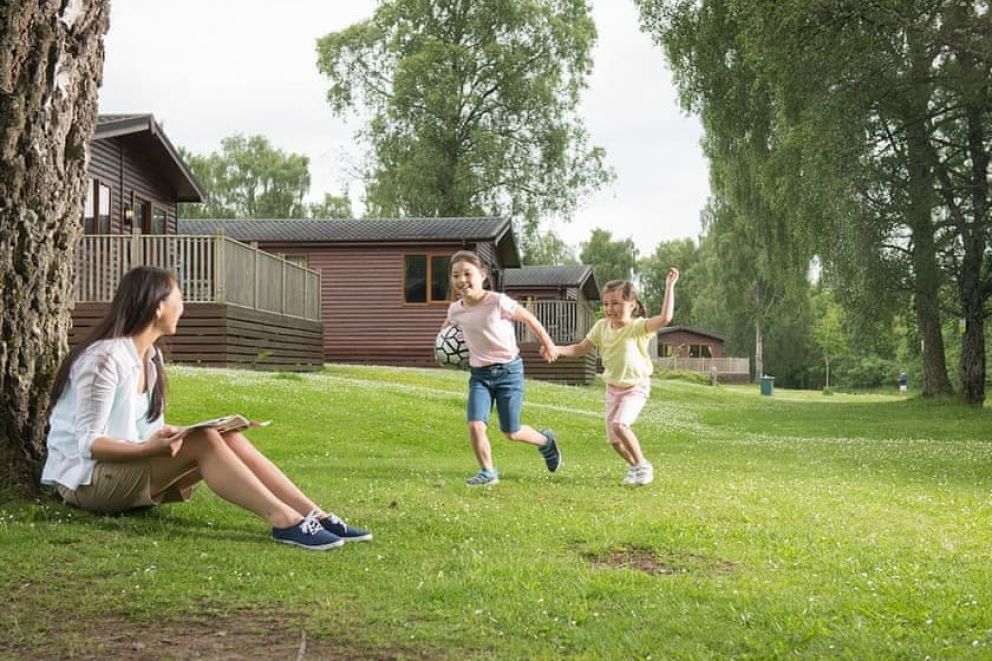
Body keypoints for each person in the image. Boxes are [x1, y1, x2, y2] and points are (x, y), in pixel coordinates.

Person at [41, 266, 370, 551]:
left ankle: (315, 515)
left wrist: (169, 434)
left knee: (224, 437)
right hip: (86, 482)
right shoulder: (105, 358)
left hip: (121, 470)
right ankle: (284, 521)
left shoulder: (150, 358)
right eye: (178, 300)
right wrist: (148, 448)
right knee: (206, 441)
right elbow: (89, 443)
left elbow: (141, 430)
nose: (182, 308)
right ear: (157, 307)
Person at [548, 269, 679, 486]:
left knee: (620, 424)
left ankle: (643, 465)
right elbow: (580, 348)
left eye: (616, 303)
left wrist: (669, 287)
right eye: (606, 304)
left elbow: (665, 318)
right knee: (614, 441)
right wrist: (556, 349)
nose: (610, 309)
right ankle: (633, 466)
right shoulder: (601, 327)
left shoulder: (638, 327)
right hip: (613, 389)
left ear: (632, 304)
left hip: (635, 387)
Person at [442, 250, 562, 485]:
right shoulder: (456, 309)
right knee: (475, 425)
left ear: (483, 275)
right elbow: (446, 332)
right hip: (480, 375)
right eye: (456, 275)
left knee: (512, 432)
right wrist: (444, 350)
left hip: (509, 372)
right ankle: (488, 472)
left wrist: (548, 344)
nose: (461, 280)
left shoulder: (497, 301)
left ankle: (546, 442)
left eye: (468, 274)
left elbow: (529, 318)